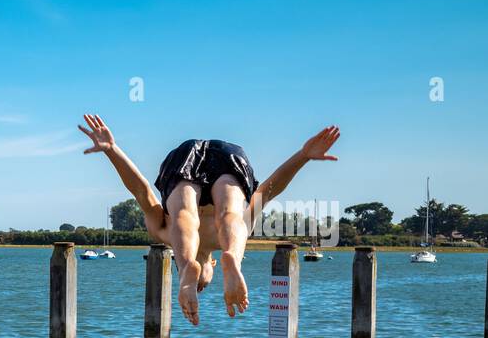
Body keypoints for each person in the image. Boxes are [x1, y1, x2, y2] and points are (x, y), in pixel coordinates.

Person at [79, 113, 340, 325]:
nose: (203, 288)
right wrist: (302, 156)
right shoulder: (165, 232)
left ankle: (229, 259)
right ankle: (232, 258)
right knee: (226, 216)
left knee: (189, 217)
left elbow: (141, 190)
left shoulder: (164, 231)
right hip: (225, 161)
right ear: (213, 263)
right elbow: (270, 188)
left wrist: (113, 151)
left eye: (198, 286)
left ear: (214, 264)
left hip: (195, 162)